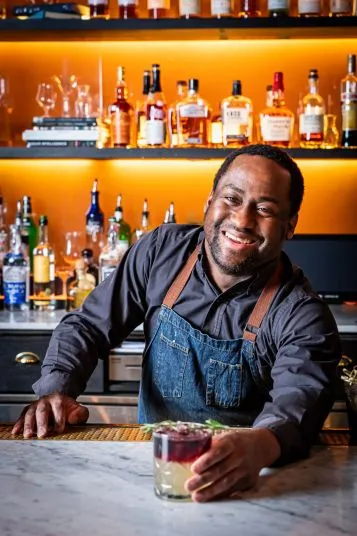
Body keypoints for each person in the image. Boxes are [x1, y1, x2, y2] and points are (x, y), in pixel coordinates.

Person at [12, 144, 341, 502]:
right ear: (209, 202)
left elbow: (301, 398)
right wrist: (56, 390)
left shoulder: (301, 312)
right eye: (232, 198)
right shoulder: (160, 252)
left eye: (264, 209)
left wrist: (262, 445)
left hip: (248, 488)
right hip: (152, 472)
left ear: (290, 226)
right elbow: (89, 325)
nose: (243, 220)